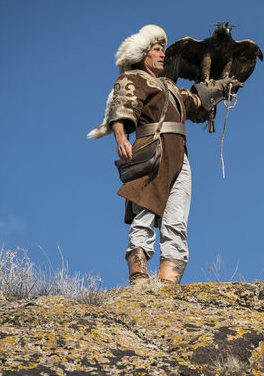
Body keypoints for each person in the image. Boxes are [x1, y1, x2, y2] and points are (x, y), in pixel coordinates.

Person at [88, 24, 239, 284]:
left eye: (162, 50)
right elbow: (121, 105)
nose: (162, 55)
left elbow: (193, 101)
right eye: (157, 50)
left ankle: (169, 282)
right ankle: (139, 278)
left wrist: (219, 89)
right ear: (142, 55)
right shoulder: (132, 79)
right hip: (151, 149)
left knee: (177, 219)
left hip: (180, 154)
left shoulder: (169, 85)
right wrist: (121, 137)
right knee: (145, 210)